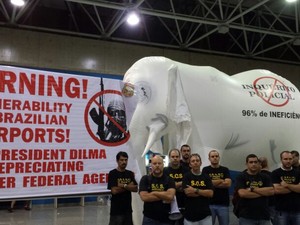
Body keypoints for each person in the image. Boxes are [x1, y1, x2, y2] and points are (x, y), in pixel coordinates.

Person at [235, 154, 274, 225]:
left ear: (259, 164)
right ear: (246, 164)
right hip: (246, 217)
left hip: (264, 216)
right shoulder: (241, 177)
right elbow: (243, 194)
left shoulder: (265, 177)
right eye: (251, 162)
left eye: (255, 162)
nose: (253, 164)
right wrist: (263, 192)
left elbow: (271, 191)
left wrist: (252, 189)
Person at [139, 155, 176, 225]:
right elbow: (144, 197)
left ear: (163, 165)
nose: (157, 165)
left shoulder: (169, 179)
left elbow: (170, 196)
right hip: (149, 218)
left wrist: (154, 192)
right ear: (151, 165)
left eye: (159, 163)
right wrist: (164, 195)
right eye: (155, 163)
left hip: (166, 219)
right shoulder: (145, 179)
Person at [107, 151, 138, 225]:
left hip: (128, 211)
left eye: (125, 160)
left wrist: (123, 185)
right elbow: (114, 191)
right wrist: (128, 186)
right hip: (116, 211)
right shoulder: (113, 173)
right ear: (117, 161)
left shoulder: (130, 173)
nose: (124, 162)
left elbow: (135, 188)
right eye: (121, 160)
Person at [182, 153, 214, 225]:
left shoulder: (206, 177)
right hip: (190, 216)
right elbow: (188, 193)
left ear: (201, 163)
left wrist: (195, 190)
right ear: (190, 164)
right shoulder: (186, 176)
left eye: (197, 160)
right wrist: (204, 193)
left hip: (205, 215)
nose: (195, 162)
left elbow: (211, 193)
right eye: (193, 161)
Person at [202, 150, 231, 225]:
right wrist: (221, 180)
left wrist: (211, 183)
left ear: (219, 157)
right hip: (209, 204)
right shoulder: (205, 170)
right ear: (209, 158)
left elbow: (228, 184)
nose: (215, 158)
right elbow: (205, 184)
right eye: (212, 156)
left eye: (216, 156)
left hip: (223, 204)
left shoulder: (225, 169)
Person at [271, 151, 300, 225]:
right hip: (281, 211)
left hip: (297, 210)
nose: (288, 161)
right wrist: (295, 187)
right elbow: (277, 190)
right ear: (281, 160)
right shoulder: (275, 173)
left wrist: (286, 185)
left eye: (290, 159)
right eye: (286, 159)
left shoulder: (298, 173)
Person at [164, 149, 190, 225]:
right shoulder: (165, 171)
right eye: (173, 156)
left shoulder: (186, 170)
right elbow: (164, 187)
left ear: (180, 157)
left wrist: (172, 186)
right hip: (169, 206)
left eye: (177, 156)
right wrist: (180, 184)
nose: (175, 158)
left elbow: (187, 186)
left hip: (184, 205)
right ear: (169, 157)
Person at [259, 157, 275, 225]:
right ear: (267, 164)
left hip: (258, 202)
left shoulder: (255, 175)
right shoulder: (272, 175)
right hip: (271, 202)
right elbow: (274, 189)